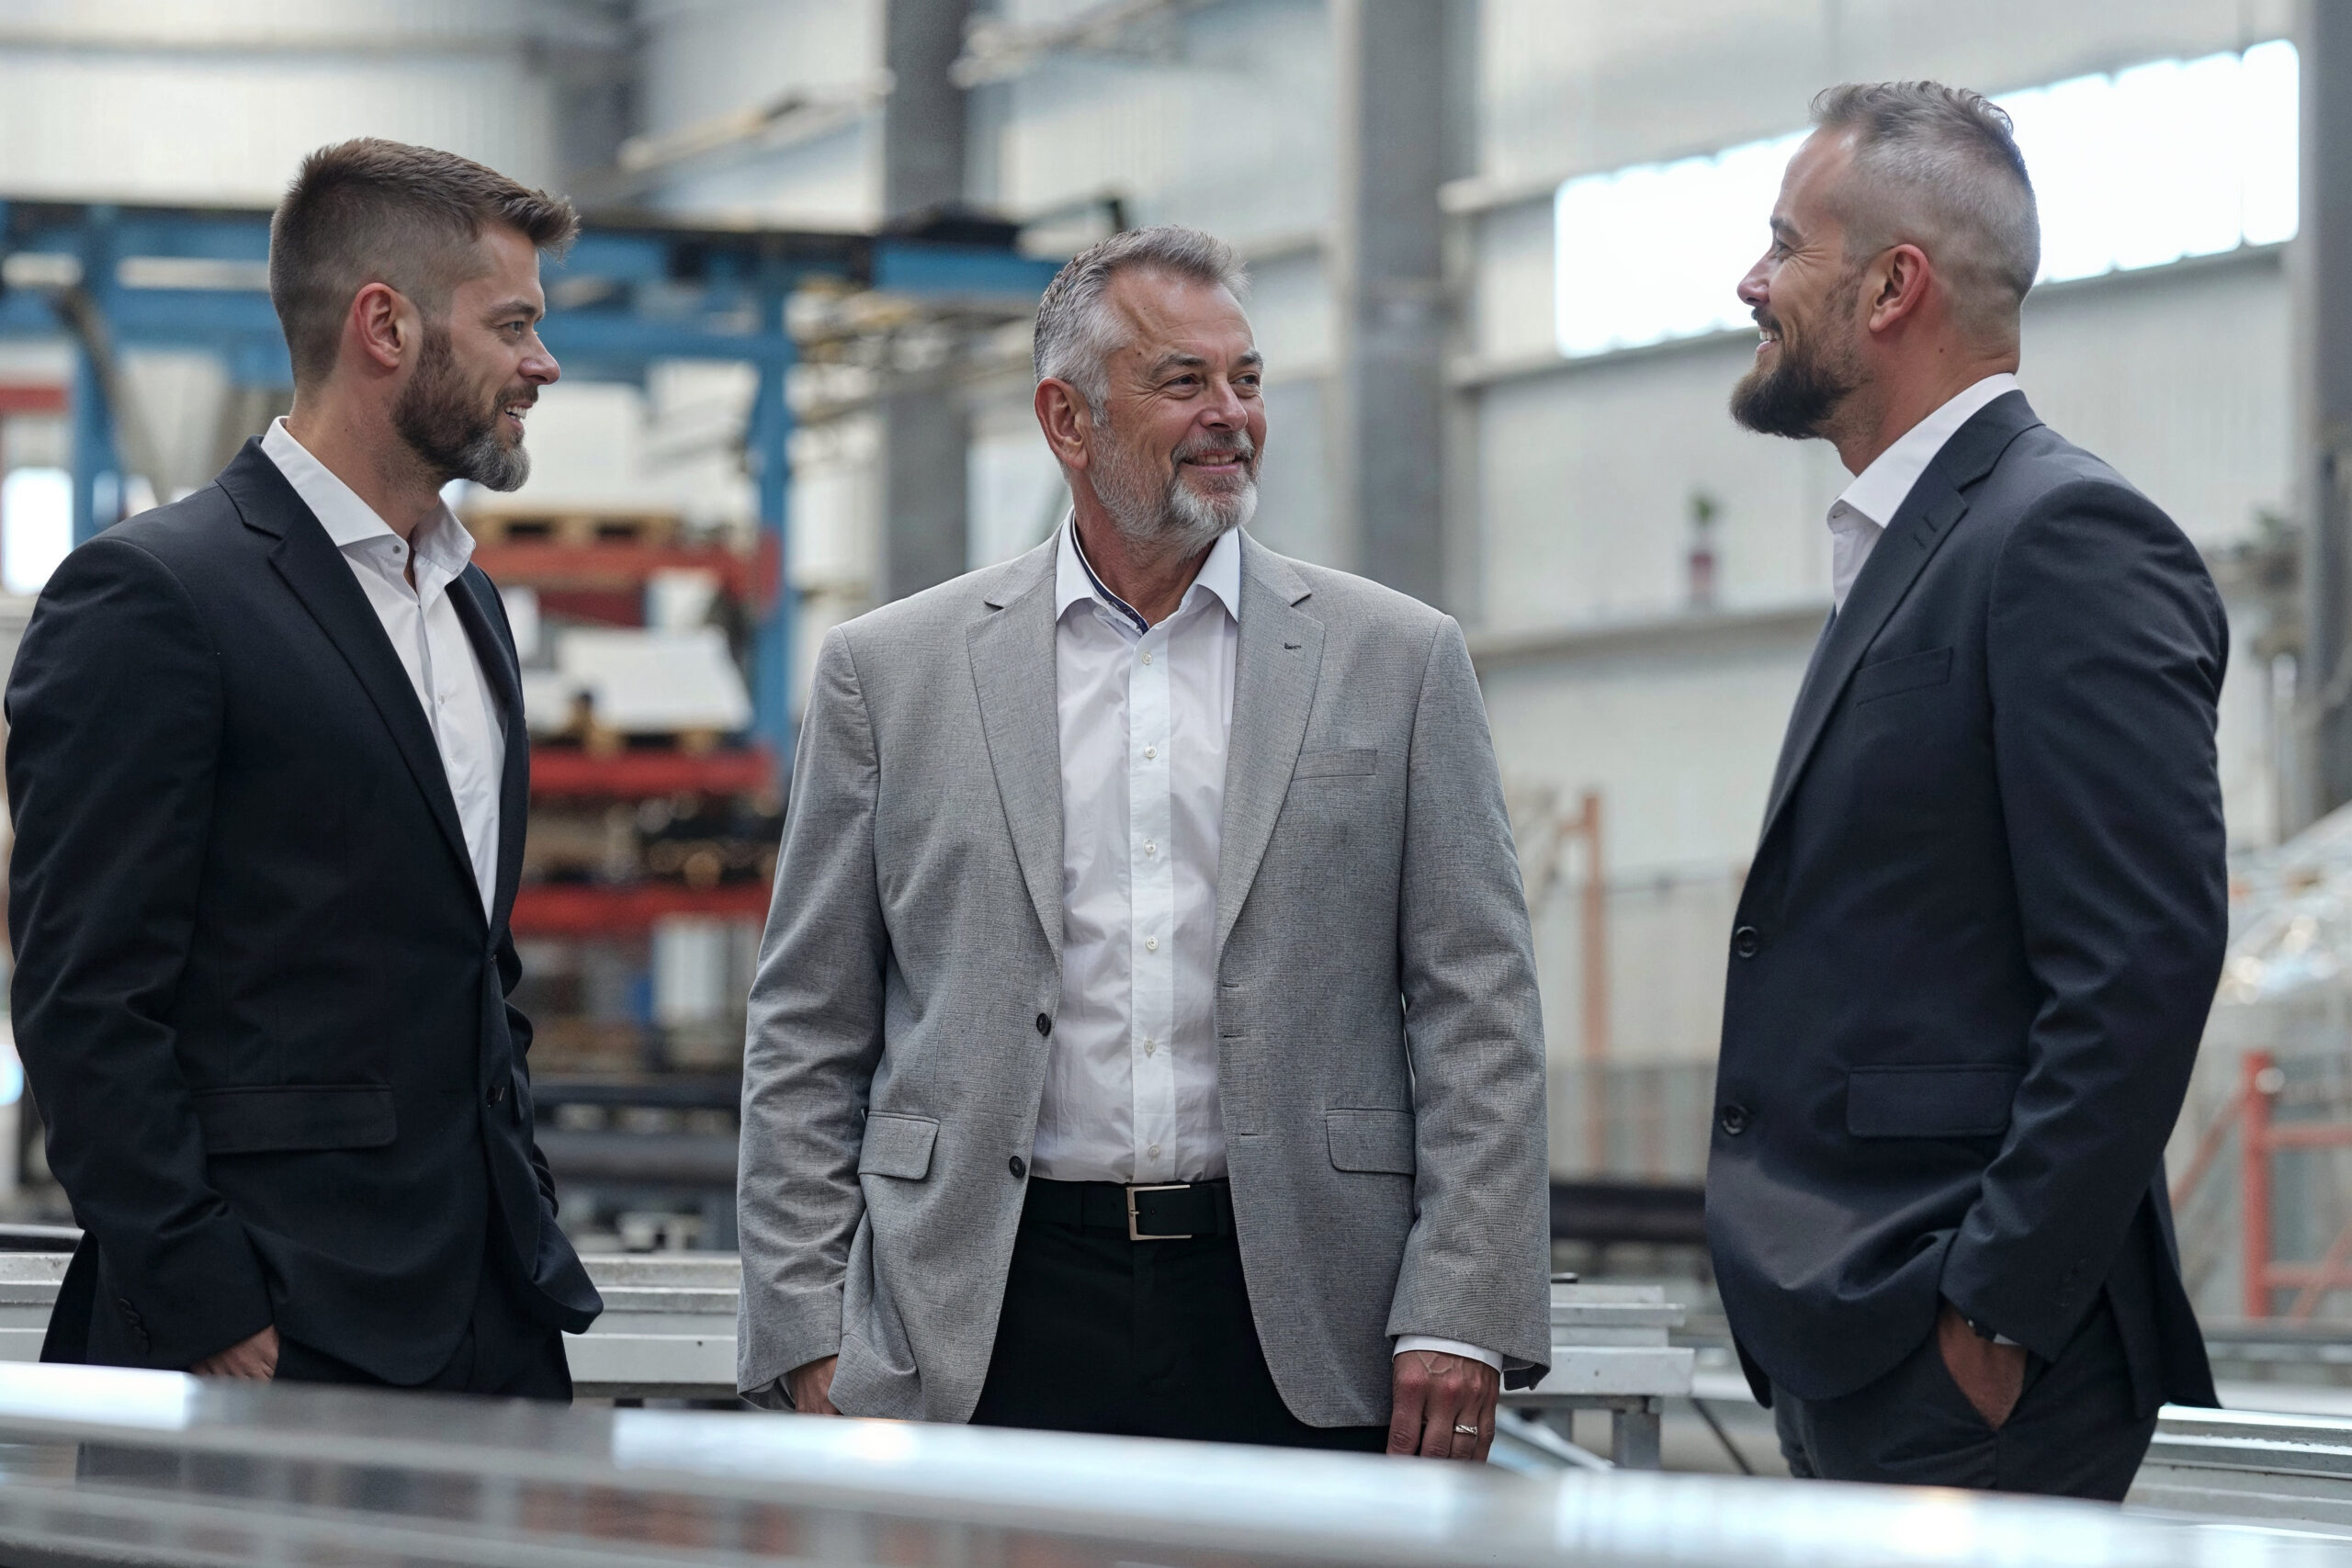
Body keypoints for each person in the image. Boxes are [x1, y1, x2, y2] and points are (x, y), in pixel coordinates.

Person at [736, 224, 1549, 1456]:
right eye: (1184, 383)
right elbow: (807, 1024)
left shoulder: (1397, 659)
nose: (1232, 415)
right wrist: (805, 1329)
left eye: (1249, 379)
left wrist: (1463, 1306)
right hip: (981, 1310)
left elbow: (1478, 1006)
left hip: (1300, 1310)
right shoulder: (890, 675)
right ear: (1066, 420)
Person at [6, 138, 602, 1396]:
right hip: (275, 1329)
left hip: (490, 1313)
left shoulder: (467, 601)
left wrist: (523, 1211)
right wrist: (205, 1303)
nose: (541, 365)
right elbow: (85, 995)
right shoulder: (156, 596)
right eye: (512, 326)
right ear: (384, 326)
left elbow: (469, 963)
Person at [1707, 82, 2224, 1498]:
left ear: (1893, 286)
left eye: (1784, 245)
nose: (1751, 283)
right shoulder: (1911, 541)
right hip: (1862, 1325)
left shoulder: (2063, 539)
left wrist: (1987, 1318)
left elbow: (2139, 966)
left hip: (1968, 1354)